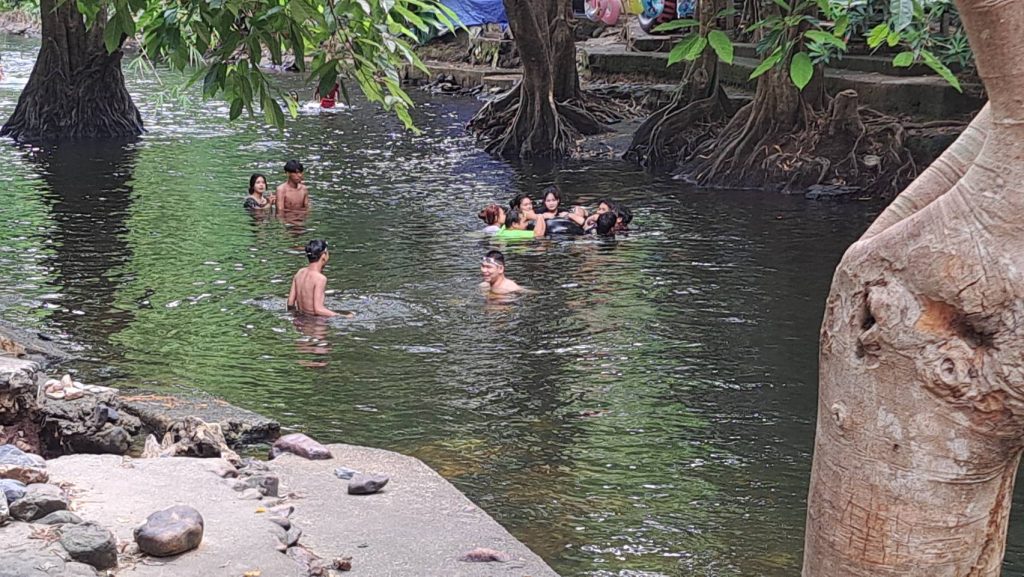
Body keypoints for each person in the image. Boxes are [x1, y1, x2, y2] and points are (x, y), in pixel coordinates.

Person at [288, 239, 337, 317]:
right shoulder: (320, 279)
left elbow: (290, 303)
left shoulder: (299, 273)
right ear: (324, 255)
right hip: (315, 322)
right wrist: (341, 316)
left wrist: (296, 317)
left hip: (300, 320)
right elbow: (318, 309)